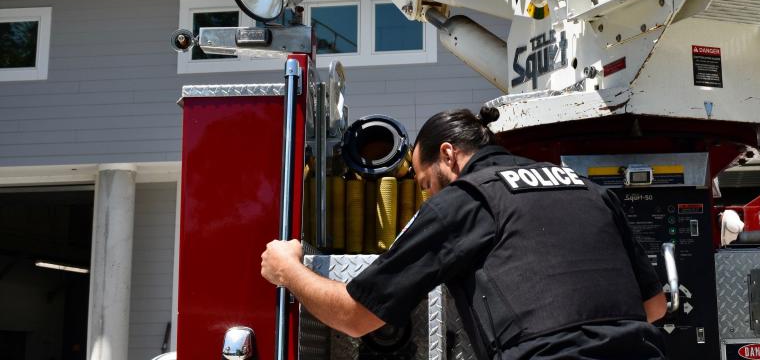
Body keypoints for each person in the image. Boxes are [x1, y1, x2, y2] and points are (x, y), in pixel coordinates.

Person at [261, 108, 668, 360]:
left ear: (448, 155)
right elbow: (654, 307)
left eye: (424, 184)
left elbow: (354, 317)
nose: (428, 195)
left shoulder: (466, 199)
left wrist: (288, 270)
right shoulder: (587, 188)